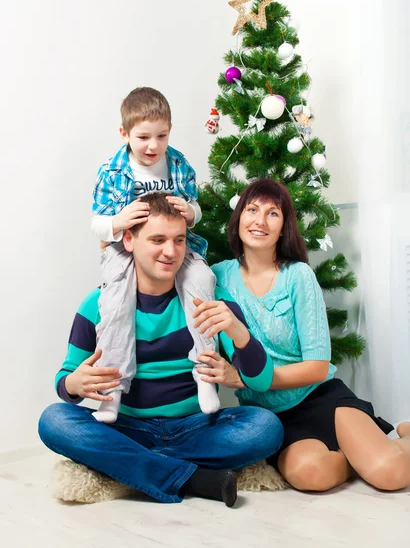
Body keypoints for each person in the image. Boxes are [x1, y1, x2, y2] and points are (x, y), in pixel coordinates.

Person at [38, 192, 284, 507]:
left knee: (266, 428)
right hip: (125, 427)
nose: (171, 252)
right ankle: (191, 477)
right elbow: (66, 379)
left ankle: (132, 466)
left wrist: (238, 333)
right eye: (157, 240)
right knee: (53, 420)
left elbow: (261, 382)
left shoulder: (211, 299)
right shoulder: (98, 304)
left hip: (195, 426)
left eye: (179, 240)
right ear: (128, 240)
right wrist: (73, 384)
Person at [195, 178, 410, 492]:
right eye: (252, 209)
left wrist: (246, 379)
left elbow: (317, 368)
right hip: (269, 416)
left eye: (273, 214)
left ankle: (395, 442)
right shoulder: (216, 277)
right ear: (239, 218)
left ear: (283, 228)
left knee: (390, 475)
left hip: (318, 397)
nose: (259, 220)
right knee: (309, 475)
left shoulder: (298, 276)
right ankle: (362, 452)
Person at [91, 87, 220, 423]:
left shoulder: (178, 164)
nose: (152, 146)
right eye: (143, 137)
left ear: (170, 132)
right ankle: (113, 387)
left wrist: (191, 213)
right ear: (125, 134)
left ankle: (204, 371)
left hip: (177, 246)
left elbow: (195, 208)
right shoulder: (113, 171)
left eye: (161, 136)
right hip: (126, 251)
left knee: (203, 279)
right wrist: (118, 223)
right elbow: (98, 223)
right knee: (115, 302)